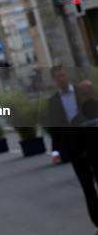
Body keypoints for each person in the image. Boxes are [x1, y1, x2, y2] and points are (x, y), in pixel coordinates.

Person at [48, 66, 98, 230]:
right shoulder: (53, 101)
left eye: (63, 75)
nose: (61, 78)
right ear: (54, 79)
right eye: (58, 77)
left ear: (66, 75)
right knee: (87, 188)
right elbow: (54, 128)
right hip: (74, 149)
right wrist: (56, 151)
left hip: (92, 143)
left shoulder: (81, 91)